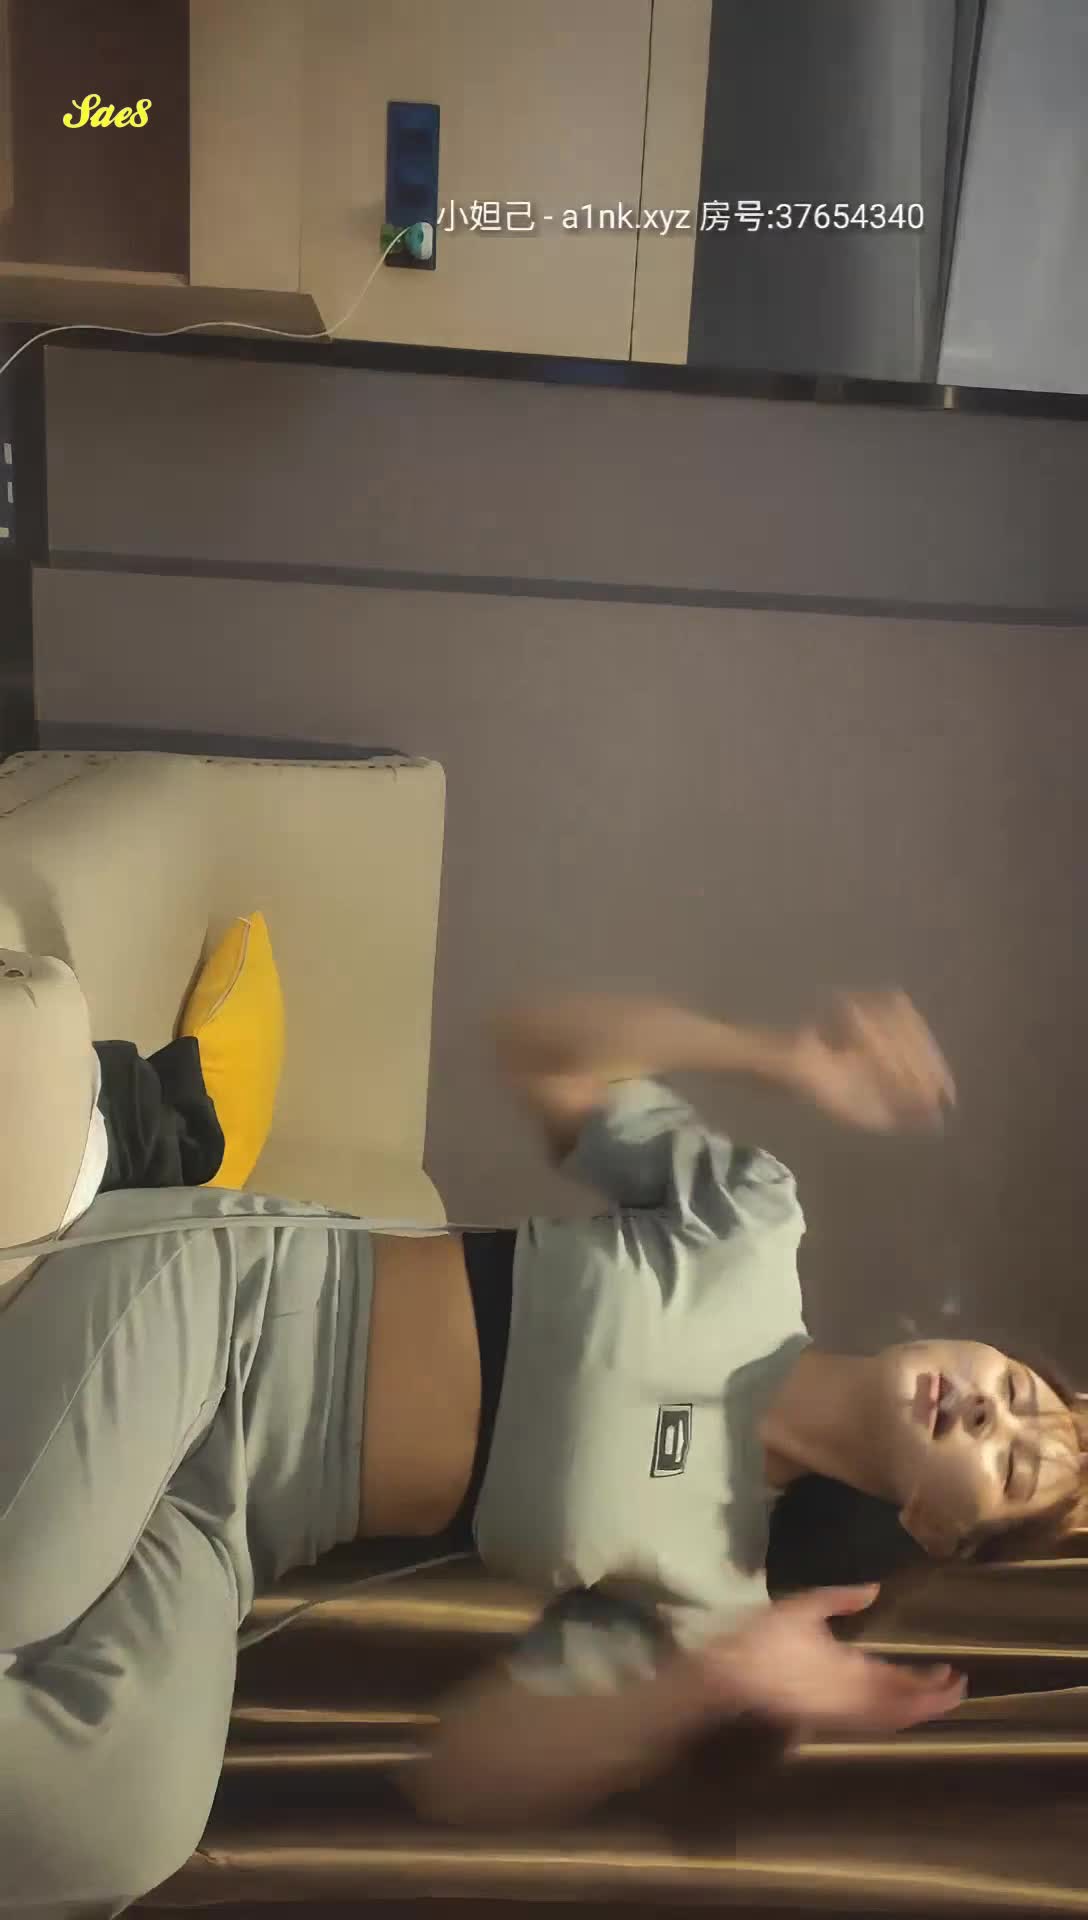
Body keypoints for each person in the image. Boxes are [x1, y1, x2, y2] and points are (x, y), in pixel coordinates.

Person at [1, 964, 1084, 1915]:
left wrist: (703, 1687)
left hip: (229, 1527)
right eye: (1013, 1388)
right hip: (221, 1307)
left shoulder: (718, 1600)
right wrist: (772, 1055)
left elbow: (464, 1773)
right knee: (21, 1590)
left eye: (1010, 1462)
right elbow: (538, 1047)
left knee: (122, 1827)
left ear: (933, 1528)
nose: (990, 1411)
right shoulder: (752, 1229)